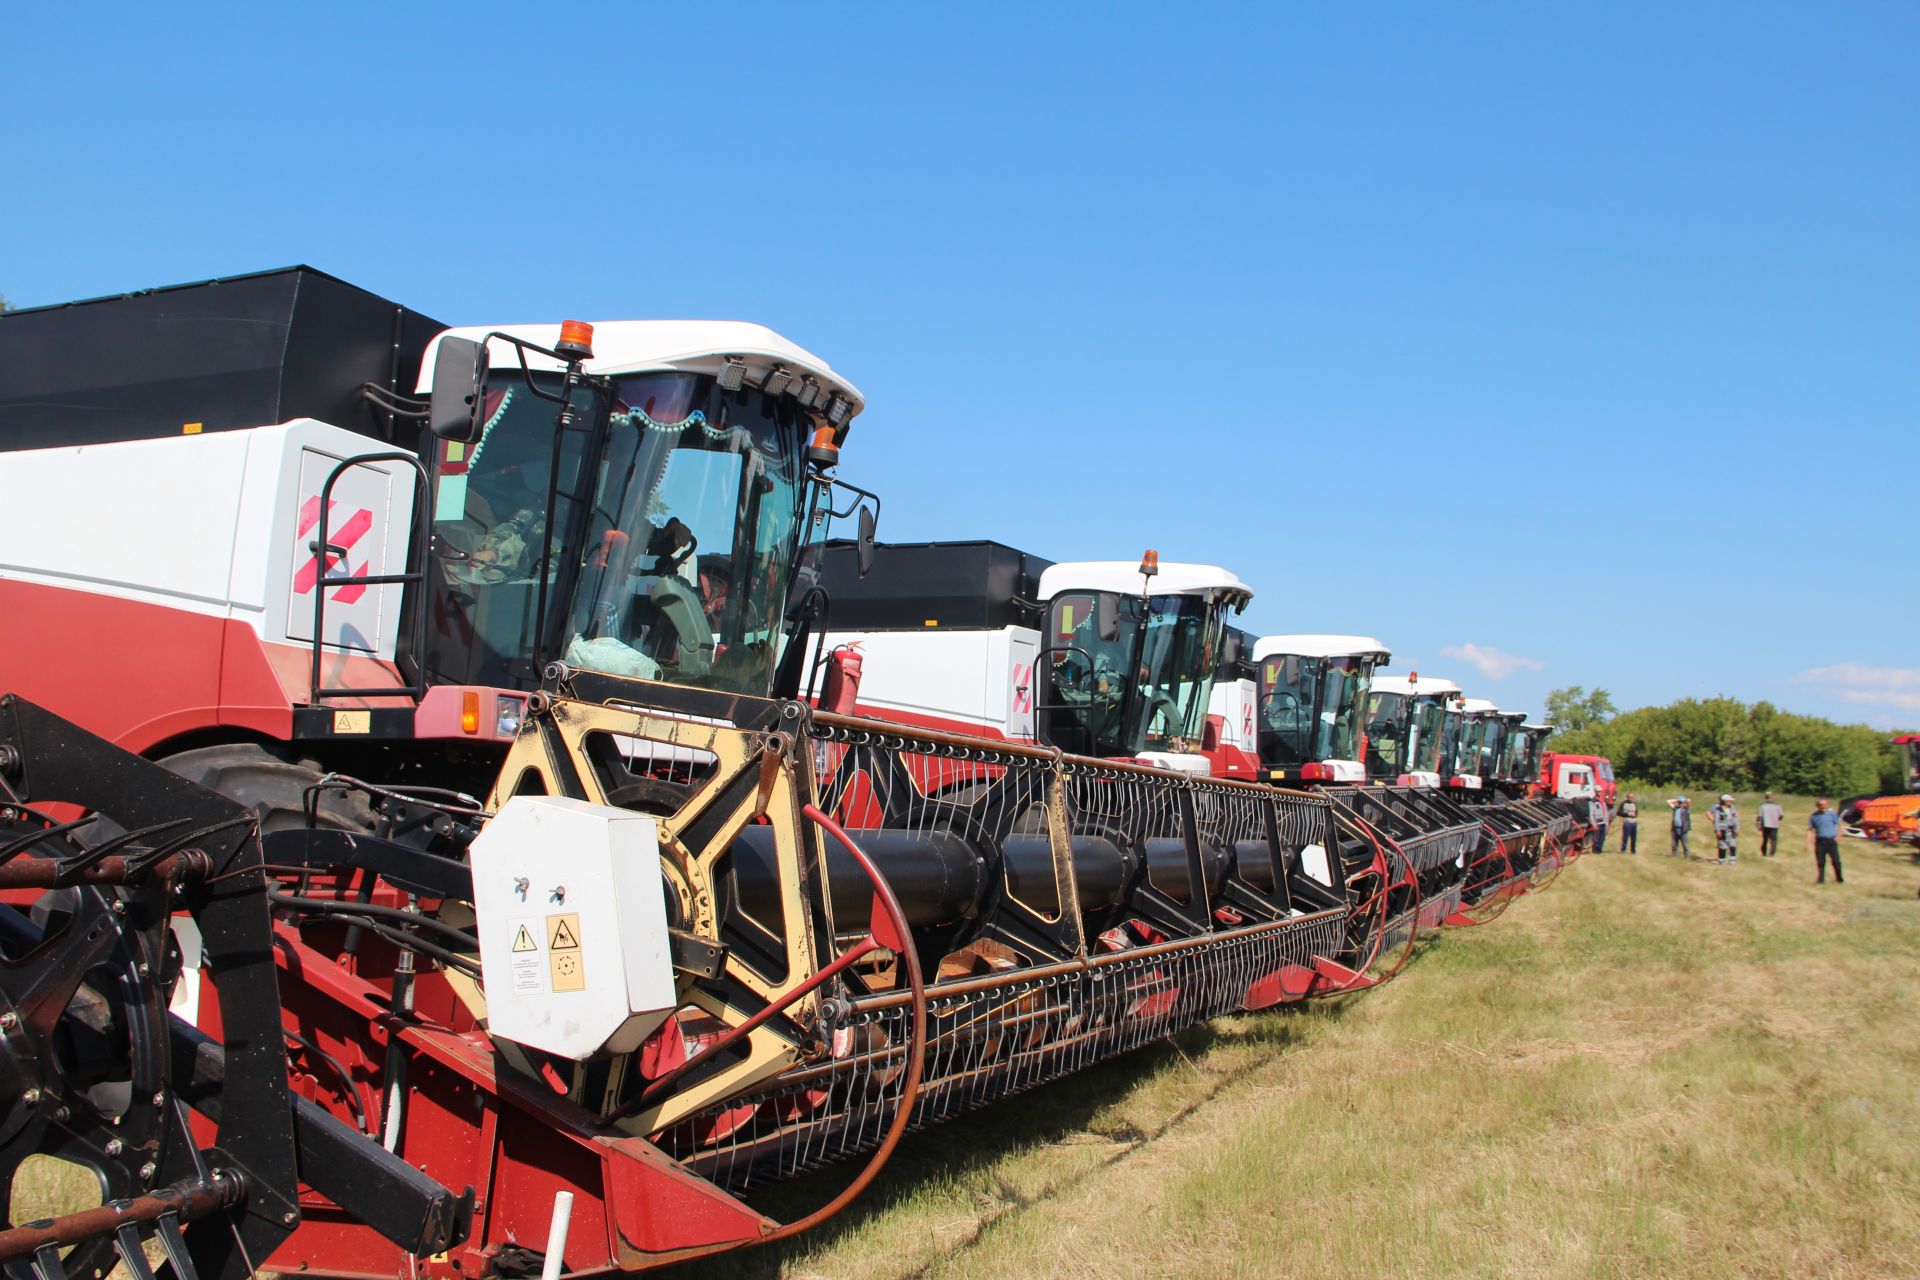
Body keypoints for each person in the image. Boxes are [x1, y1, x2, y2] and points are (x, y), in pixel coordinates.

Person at [1807, 797, 1844, 884]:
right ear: (1817, 806)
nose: (1822, 806)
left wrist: (1839, 836)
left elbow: (1840, 824)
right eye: (1820, 805)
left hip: (1831, 840)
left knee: (1836, 861)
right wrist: (1807, 843)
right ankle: (1821, 880)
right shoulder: (1814, 816)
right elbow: (1810, 830)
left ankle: (1839, 879)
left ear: (1827, 805)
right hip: (1820, 841)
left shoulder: (1831, 814)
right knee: (1820, 861)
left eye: (1824, 805)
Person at [1709, 793, 1739, 864]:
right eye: (1729, 801)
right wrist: (1717, 830)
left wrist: (1736, 829)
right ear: (1725, 801)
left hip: (1731, 829)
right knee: (1722, 846)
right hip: (1722, 830)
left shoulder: (1733, 809)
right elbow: (1716, 821)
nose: (1731, 802)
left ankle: (1732, 861)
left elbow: (1736, 819)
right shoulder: (1718, 810)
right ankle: (1721, 861)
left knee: (1732, 845)